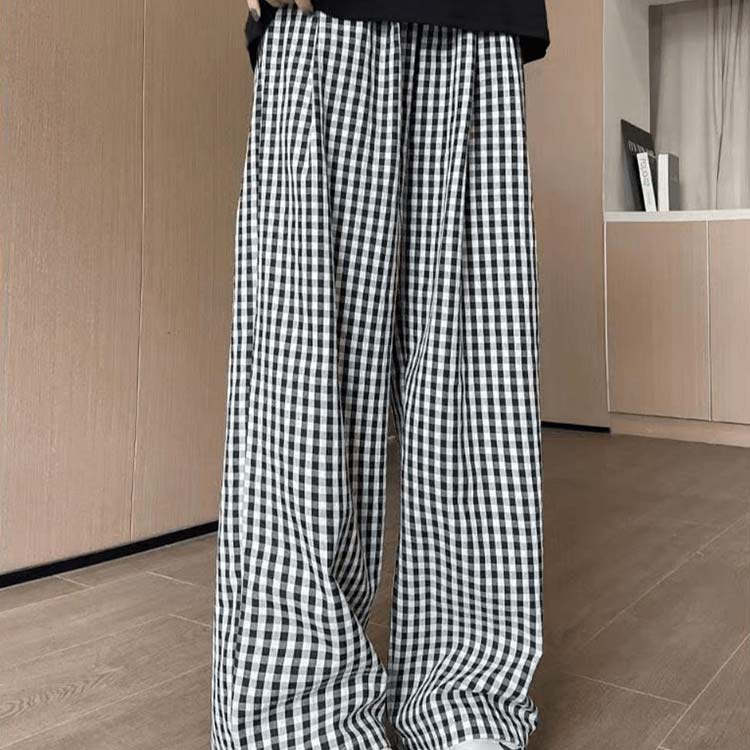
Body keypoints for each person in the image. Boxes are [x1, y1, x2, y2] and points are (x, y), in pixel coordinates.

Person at [211, 1, 549, 749]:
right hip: (322, 16)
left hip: (481, 16)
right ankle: (301, 715)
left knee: (477, 385)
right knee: (305, 382)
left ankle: (466, 698)